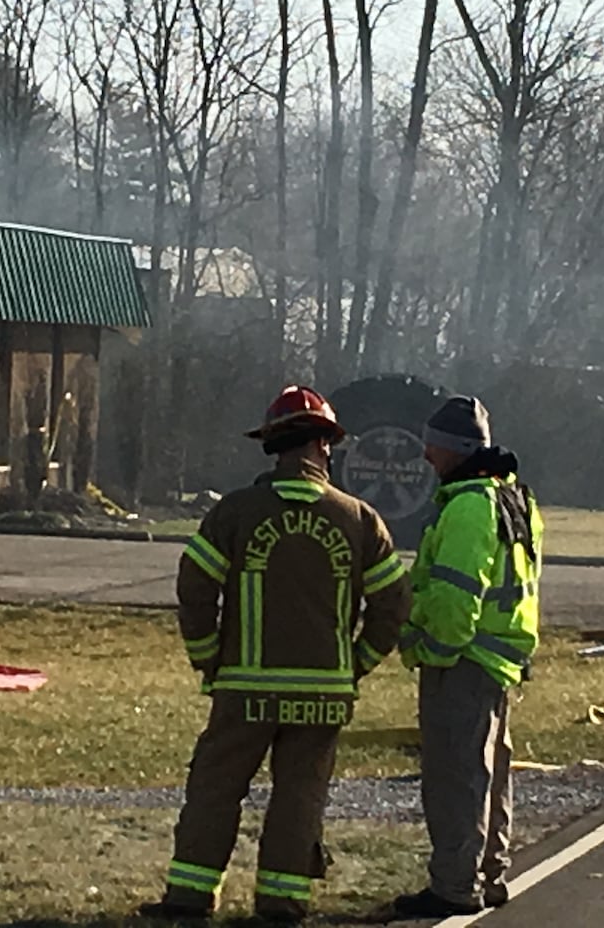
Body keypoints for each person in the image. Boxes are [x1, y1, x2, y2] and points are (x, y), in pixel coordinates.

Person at [138, 385, 410, 924]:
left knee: (215, 791)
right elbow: (393, 606)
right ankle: (282, 905)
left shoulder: (237, 513)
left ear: (273, 446)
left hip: (244, 689)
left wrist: (209, 657)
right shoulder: (359, 520)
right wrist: (353, 664)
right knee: (299, 799)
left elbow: (195, 587)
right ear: (325, 446)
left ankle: (189, 900)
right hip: (323, 697)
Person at [383, 395, 542, 920]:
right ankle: (489, 874)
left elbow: (454, 597)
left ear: (452, 449)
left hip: (463, 662)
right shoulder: (513, 498)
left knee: (455, 778)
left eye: (432, 445)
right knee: (490, 773)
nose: (426, 456)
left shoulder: (470, 505)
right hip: (500, 659)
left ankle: (454, 885)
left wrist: (430, 648)